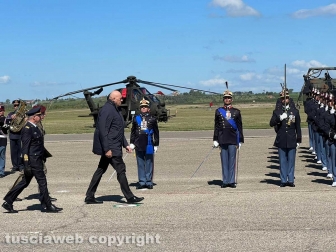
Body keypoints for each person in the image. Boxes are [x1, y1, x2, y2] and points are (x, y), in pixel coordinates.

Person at [85, 90, 144, 204]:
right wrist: (107, 149)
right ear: (113, 99)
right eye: (120, 98)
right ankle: (130, 197)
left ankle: (89, 196)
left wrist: (125, 144)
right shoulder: (107, 110)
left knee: (100, 170)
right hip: (111, 147)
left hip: (114, 145)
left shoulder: (115, 109)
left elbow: (117, 130)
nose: (121, 100)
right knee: (121, 169)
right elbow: (103, 131)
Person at [2, 106, 62, 213]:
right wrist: (26, 164)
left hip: (37, 158)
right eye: (40, 115)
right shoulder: (27, 129)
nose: (42, 116)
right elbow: (25, 148)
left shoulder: (35, 127)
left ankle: (8, 201)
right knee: (42, 182)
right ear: (34, 117)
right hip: (33, 160)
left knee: (24, 182)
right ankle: (48, 205)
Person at [269, 91, 301, 187]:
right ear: (281, 100)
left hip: (291, 138)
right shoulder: (277, 112)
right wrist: (280, 118)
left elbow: (298, 127)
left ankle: (290, 180)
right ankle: (283, 180)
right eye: (283, 98)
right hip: (281, 138)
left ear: (289, 99)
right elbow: (271, 123)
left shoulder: (294, 112)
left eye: (286, 98)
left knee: (291, 161)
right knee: (282, 161)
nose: (285, 100)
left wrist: (298, 139)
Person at [213, 90, 244, 188]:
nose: (227, 99)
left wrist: (240, 140)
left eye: (229, 98)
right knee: (224, 160)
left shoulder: (236, 112)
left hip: (232, 138)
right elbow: (217, 126)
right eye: (225, 98)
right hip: (222, 138)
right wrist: (215, 139)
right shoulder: (218, 111)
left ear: (232, 99)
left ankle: (231, 181)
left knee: (232, 161)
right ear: (223, 99)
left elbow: (239, 127)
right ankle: (225, 181)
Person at [130, 98, 159, 189]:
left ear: (148, 109)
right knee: (140, 163)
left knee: (149, 162)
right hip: (138, 143)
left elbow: (156, 132)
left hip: (149, 143)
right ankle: (142, 181)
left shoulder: (152, 119)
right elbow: (133, 131)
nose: (143, 108)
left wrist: (156, 144)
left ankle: (149, 181)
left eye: (145, 107)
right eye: (142, 107)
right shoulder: (136, 118)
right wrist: (132, 142)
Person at [6, 100, 25, 172]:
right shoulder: (10, 114)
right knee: (13, 151)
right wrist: (11, 118)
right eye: (15, 105)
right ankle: (15, 166)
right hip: (12, 135)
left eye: (17, 105)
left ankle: (21, 165)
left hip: (20, 135)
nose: (16, 107)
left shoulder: (22, 114)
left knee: (20, 151)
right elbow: (6, 122)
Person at [0, 105, 9, 178]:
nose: (0, 112)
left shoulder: (6, 119)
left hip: (2, 139)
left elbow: (6, 129)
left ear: (3, 111)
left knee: (2, 156)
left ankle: (1, 171)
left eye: (1, 111)